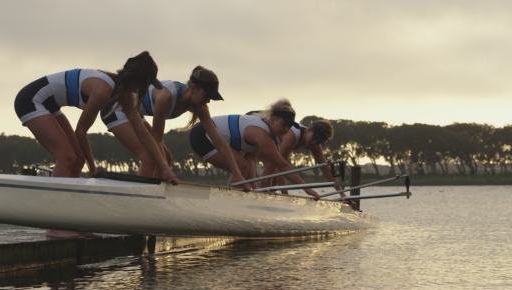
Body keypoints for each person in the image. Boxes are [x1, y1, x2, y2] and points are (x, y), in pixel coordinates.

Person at [13, 51, 178, 184]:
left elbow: (143, 135)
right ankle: (56, 208)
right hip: (31, 100)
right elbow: (81, 132)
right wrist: (93, 167)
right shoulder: (102, 90)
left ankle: (72, 207)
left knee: (78, 160)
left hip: (50, 105)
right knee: (67, 156)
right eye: (146, 84)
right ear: (138, 81)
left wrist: (165, 169)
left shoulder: (126, 97)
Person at [100, 66, 246, 187]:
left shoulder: (201, 108)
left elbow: (219, 142)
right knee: (149, 154)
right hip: (116, 108)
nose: (208, 100)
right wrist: (167, 173)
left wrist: (238, 175)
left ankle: (155, 193)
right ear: (194, 88)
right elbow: (156, 139)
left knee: (167, 159)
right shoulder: (166, 97)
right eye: (207, 95)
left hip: (134, 112)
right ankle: (144, 196)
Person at [189, 99, 320, 198]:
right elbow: (282, 165)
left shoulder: (266, 131)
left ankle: (230, 199)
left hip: (209, 136)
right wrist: (306, 189)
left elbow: (249, 160)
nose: (285, 130)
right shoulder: (261, 134)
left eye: (289, 127)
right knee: (242, 167)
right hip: (202, 135)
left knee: (244, 166)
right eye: (283, 125)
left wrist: (254, 190)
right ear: (273, 120)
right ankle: (226, 200)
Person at [262, 118, 346, 198]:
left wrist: (342, 194)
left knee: (273, 173)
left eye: (318, 141)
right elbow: (280, 165)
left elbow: (325, 169)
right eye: (314, 138)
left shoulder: (315, 144)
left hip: (272, 144)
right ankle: (263, 194)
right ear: (309, 129)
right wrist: (285, 194)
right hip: (260, 132)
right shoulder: (292, 135)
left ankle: (267, 193)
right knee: (271, 168)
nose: (314, 142)